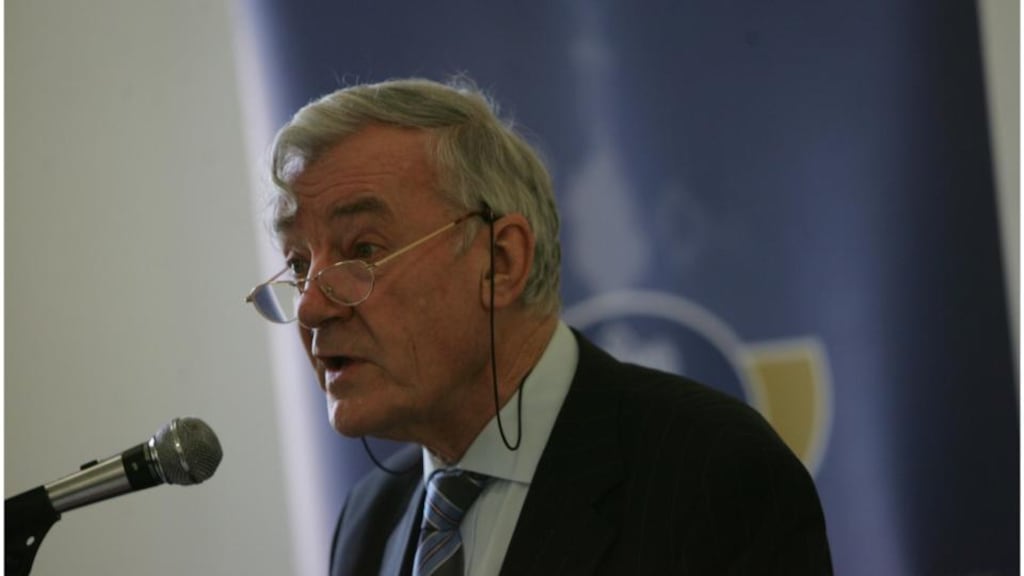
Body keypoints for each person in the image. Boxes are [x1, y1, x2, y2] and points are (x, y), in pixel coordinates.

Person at [246, 77, 832, 575]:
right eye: (298, 265)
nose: (312, 307)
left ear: (500, 261)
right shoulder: (369, 519)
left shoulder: (712, 473)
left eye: (363, 250)